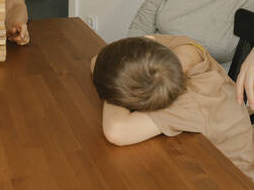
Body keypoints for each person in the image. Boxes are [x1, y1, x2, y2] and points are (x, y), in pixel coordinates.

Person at [91, 35, 254, 181]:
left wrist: (115, 91)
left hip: (237, 180)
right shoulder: (187, 48)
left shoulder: (188, 105)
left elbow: (116, 131)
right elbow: (96, 60)